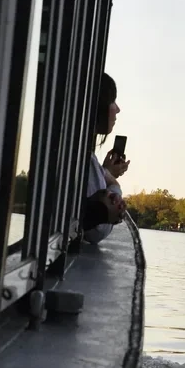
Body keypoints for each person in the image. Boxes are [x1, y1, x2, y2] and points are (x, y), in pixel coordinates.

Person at [82, 72, 130, 243]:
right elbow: (98, 230)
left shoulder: (81, 155)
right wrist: (114, 185)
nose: (117, 109)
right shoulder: (85, 160)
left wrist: (105, 172)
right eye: (112, 101)